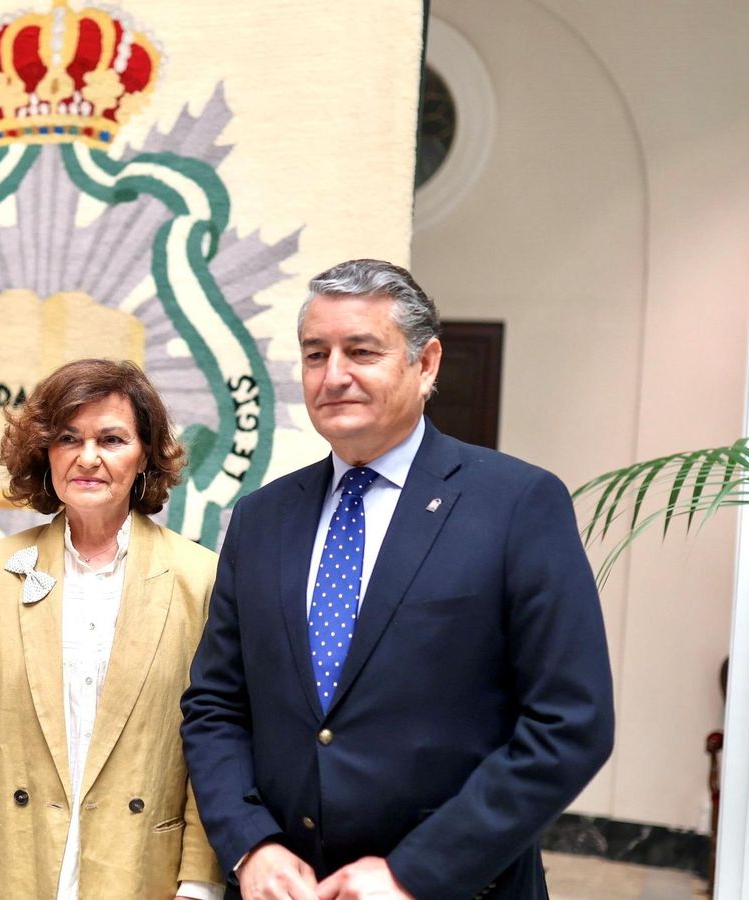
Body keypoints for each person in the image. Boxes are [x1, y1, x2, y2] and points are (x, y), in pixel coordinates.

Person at [180, 260, 616, 900]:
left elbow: (571, 724)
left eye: (361, 351)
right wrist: (250, 844)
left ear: (427, 362)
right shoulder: (261, 519)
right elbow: (216, 706)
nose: (334, 376)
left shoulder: (517, 504)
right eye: (315, 354)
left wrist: (416, 873)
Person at [0, 358, 225, 900]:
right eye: (69, 438)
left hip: (139, 868)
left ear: (145, 457)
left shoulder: (200, 577)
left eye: (111, 439)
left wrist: (199, 883)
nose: (88, 458)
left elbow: (212, 739)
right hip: (13, 862)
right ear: (46, 452)